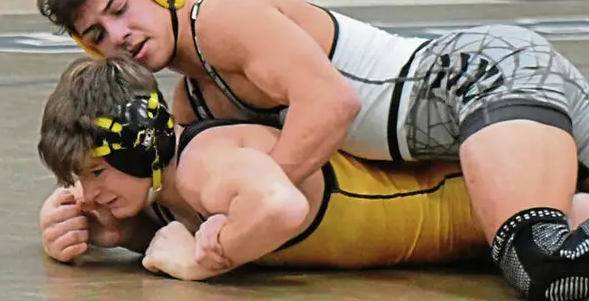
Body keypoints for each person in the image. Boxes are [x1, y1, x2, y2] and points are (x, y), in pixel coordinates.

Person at [37, 0, 589, 300]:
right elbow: (184, 189)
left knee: (541, 262)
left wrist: (222, 244)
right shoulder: (195, 98)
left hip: (480, 79)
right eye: (97, 35)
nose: (118, 36)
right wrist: (103, 221)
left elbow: (331, 106)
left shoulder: (225, 20)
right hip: (461, 125)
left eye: (120, 8)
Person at [36, 55, 496, 279]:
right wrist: (116, 233)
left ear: (142, 144)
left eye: (96, 173)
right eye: (75, 178)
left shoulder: (203, 164)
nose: (86, 195)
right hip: (466, 226)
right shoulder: (165, 184)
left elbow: (280, 207)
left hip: (478, 203)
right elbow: (182, 227)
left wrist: (201, 262)